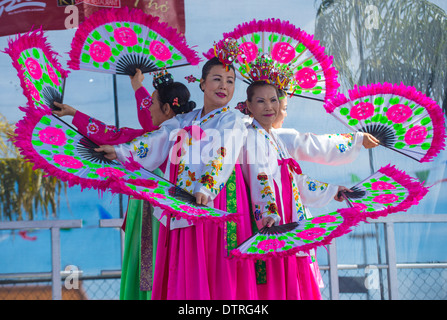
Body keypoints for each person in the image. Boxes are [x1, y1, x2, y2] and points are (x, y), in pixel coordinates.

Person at [96, 57, 258, 300]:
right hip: (183, 204)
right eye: (217, 79)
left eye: (230, 81)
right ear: (202, 84)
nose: (223, 86)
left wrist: (207, 186)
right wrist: (121, 151)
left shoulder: (231, 119)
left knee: (212, 267)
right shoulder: (184, 120)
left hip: (211, 200)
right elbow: (157, 138)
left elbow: (225, 149)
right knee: (186, 267)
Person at [53, 68, 196, 300]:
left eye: (153, 103)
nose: (148, 107)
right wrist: (137, 86)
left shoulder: (158, 136)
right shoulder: (193, 133)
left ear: (167, 109)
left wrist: (74, 113)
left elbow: (113, 134)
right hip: (180, 211)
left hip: (153, 208)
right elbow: (125, 127)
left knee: (149, 267)